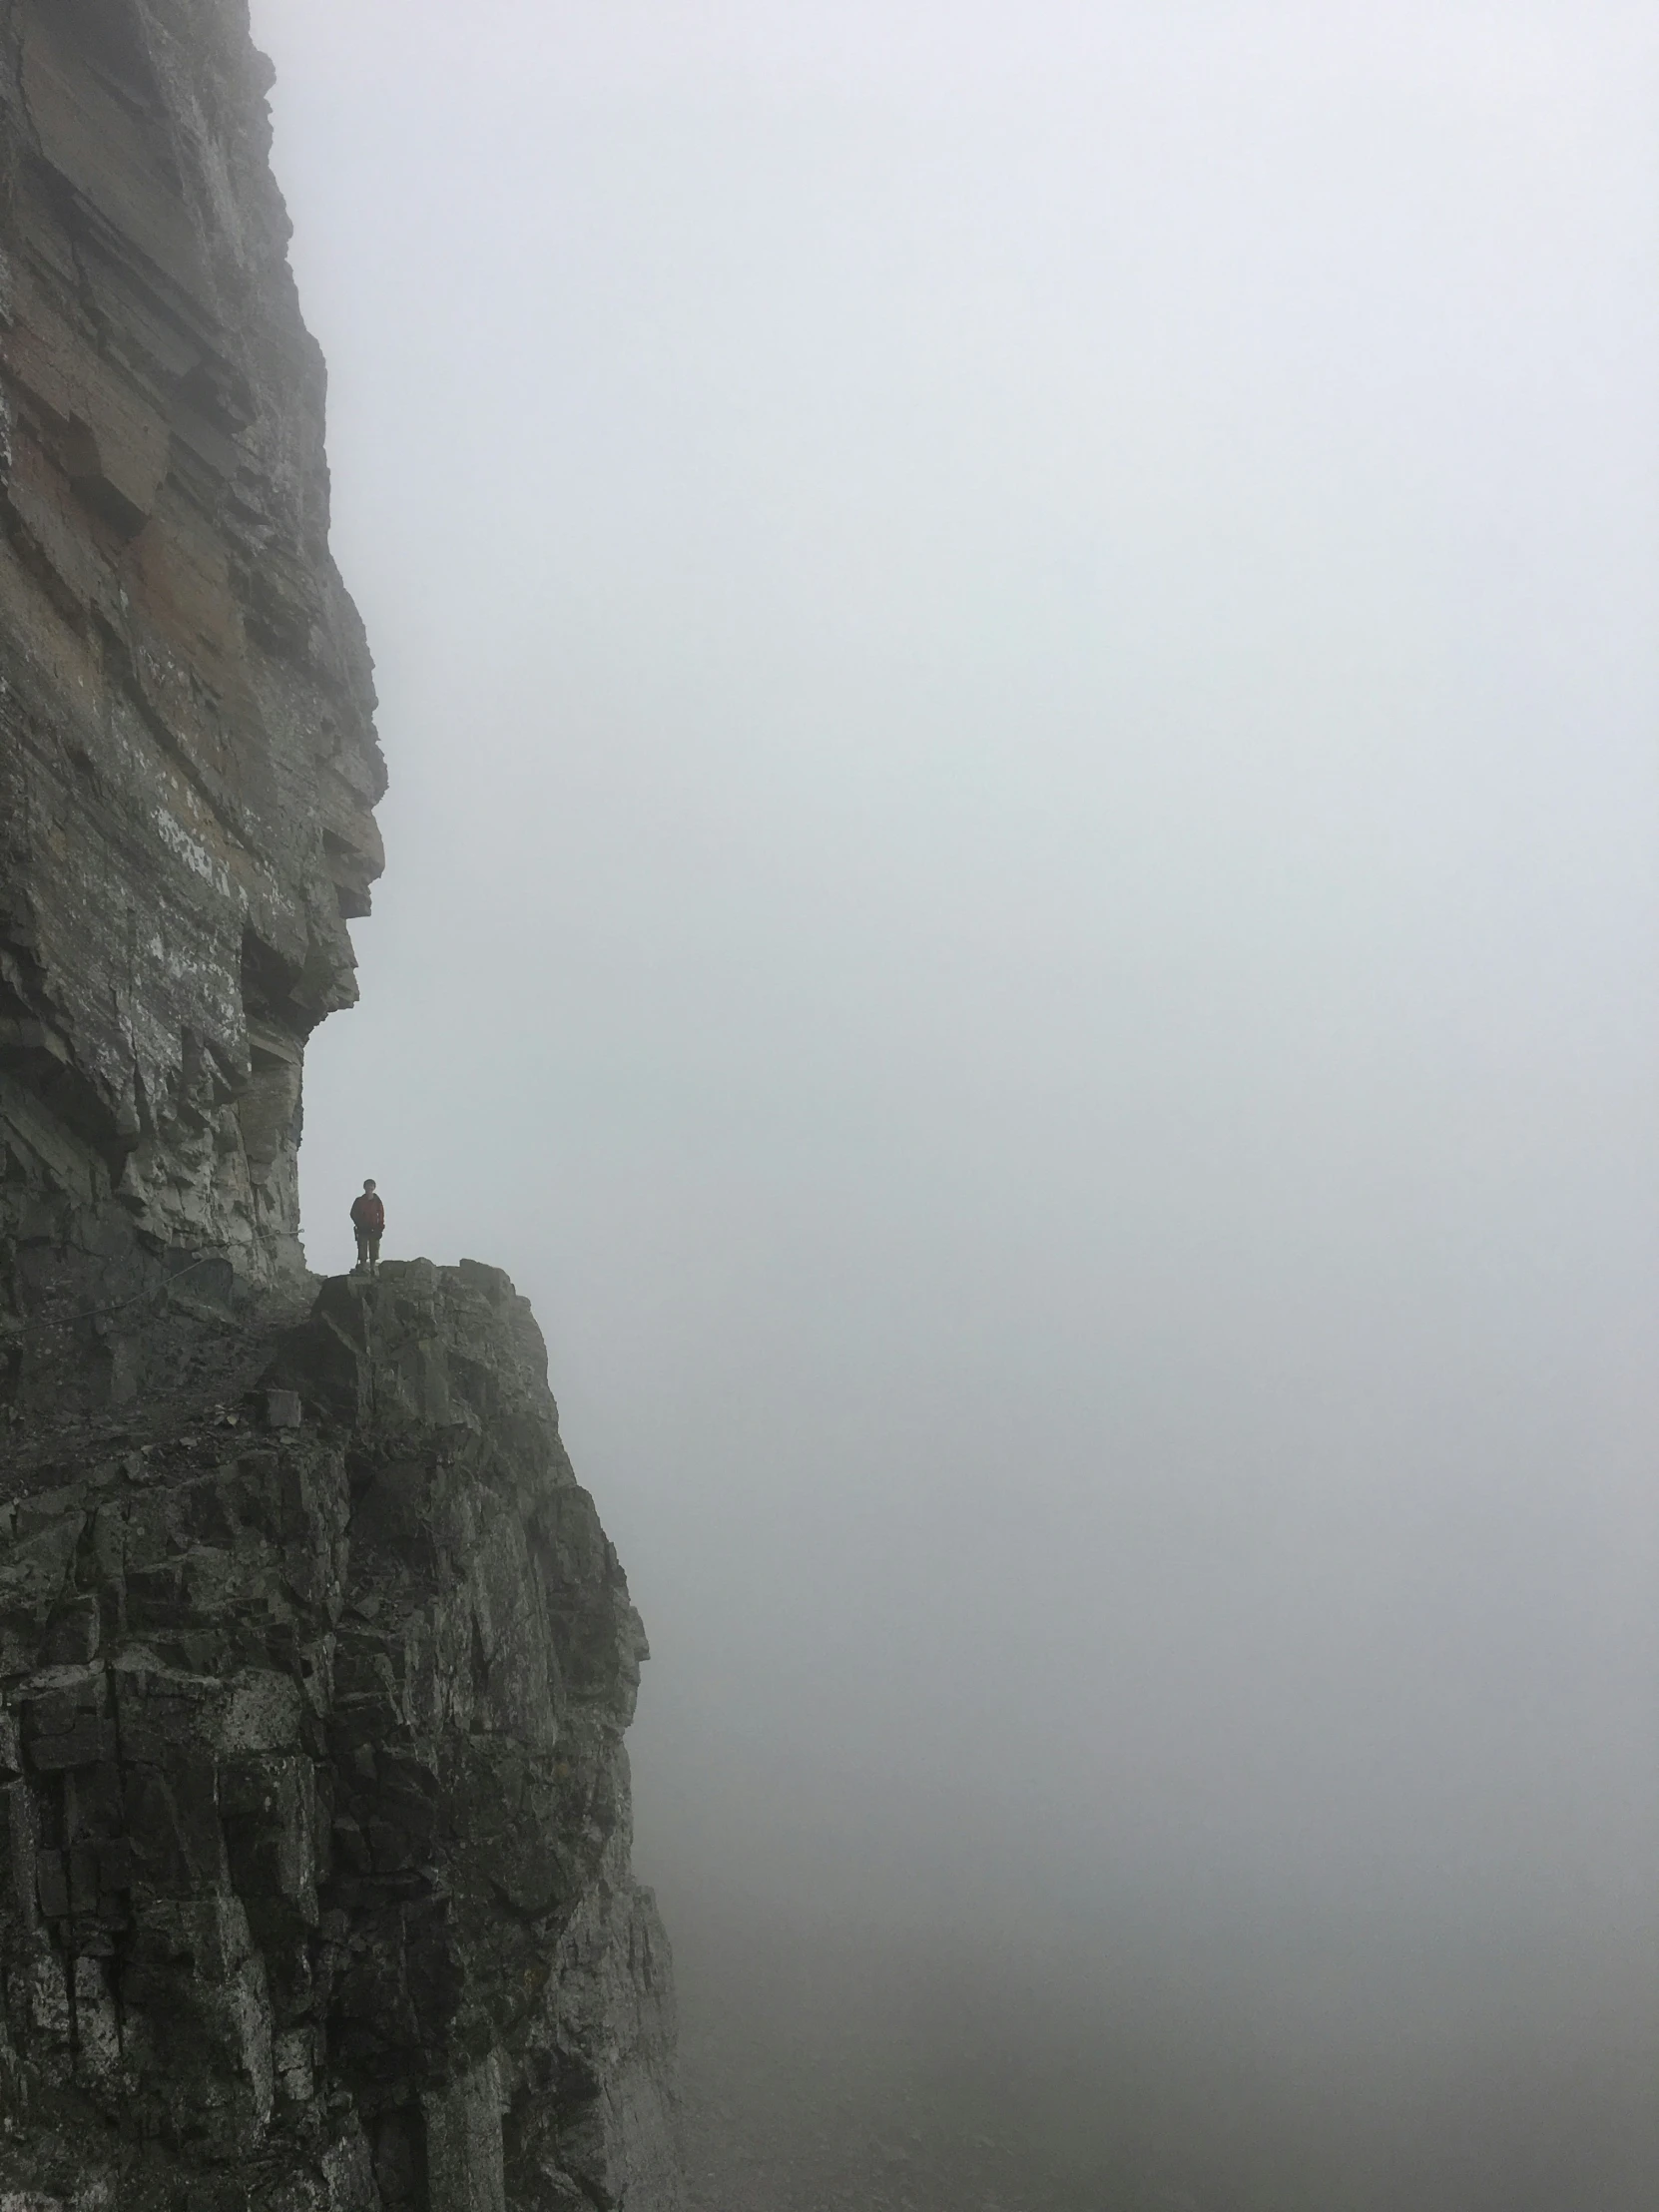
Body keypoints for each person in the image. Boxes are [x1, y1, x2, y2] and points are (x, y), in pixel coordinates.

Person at [349, 1179, 384, 1275]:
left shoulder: (377, 1201)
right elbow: (353, 1213)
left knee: (374, 1249)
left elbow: (381, 1214)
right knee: (362, 1249)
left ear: (374, 1187)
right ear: (364, 1187)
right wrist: (359, 1224)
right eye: (368, 1186)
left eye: (371, 1186)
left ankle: (372, 1268)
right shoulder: (359, 1201)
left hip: (374, 1228)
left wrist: (380, 1227)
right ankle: (363, 1267)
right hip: (362, 1229)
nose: (370, 1188)